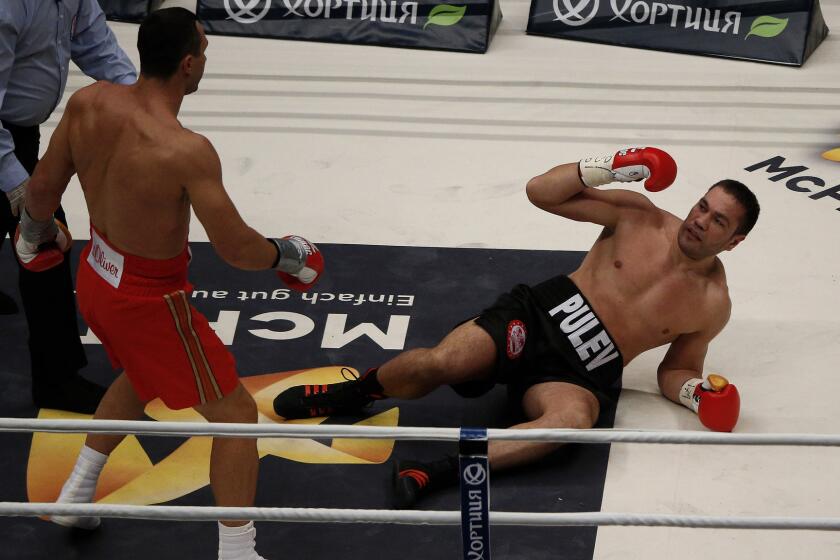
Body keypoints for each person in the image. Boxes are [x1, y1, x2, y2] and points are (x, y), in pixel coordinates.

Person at [273, 147, 758, 508]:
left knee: (571, 426)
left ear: (733, 241)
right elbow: (540, 192)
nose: (698, 221)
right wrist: (611, 165)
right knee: (444, 361)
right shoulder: (639, 217)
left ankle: (436, 471)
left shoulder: (713, 304)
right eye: (700, 206)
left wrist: (697, 393)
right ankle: (354, 393)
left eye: (717, 221)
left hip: (583, 372)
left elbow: (676, 370)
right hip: (541, 314)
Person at [16, 8, 323, 559]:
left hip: (95, 277)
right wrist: (289, 254)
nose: (205, 60)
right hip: (149, 300)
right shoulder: (184, 149)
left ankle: (77, 494)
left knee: (141, 371)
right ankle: (237, 549)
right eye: (203, 52)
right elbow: (236, 249)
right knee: (235, 415)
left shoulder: (88, 102)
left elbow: (41, 189)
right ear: (187, 65)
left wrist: (33, 236)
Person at [1, 0, 137, 412]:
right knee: (47, 249)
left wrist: (145, 109)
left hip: (19, 131)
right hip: (3, 138)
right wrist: (20, 188)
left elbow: (97, 46)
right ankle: (56, 381)